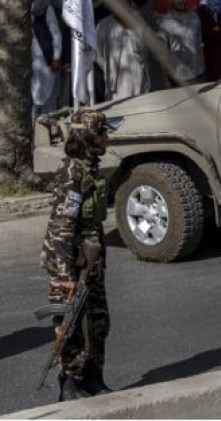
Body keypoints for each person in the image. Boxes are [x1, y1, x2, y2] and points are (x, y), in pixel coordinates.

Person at [41, 109, 115, 401]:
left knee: (98, 320)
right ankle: (70, 384)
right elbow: (61, 226)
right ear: (90, 136)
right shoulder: (73, 171)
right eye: (102, 133)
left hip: (90, 260)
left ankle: (93, 377)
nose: (106, 138)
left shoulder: (89, 167)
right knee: (69, 324)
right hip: (69, 261)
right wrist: (64, 275)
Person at [95, 0, 152, 101]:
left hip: (138, 73)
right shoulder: (104, 24)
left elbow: (146, 44)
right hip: (116, 77)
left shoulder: (138, 20)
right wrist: (107, 67)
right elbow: (96, 52)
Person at [157, 0, 205, 86]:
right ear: (170, 0)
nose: (181, 1)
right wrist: (165, 81)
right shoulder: (165, 24)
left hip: (199, 74)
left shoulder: (194, 17)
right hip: (179, 78)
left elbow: (200, 45)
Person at [31, 0, 63, 119]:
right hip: (28, 60)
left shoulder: (45, 7)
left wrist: (56, 57)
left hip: (45, 59)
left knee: (48, 101)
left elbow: (56, 34)